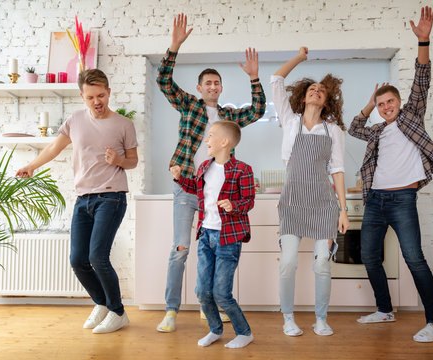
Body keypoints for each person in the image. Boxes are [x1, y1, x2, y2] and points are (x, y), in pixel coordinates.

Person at [156, 13, 266, 333]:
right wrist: (175, 45)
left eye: (217, 83)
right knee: (181, 249)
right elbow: (163, 80)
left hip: (217, 193)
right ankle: (171, 311)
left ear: (221, 87)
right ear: (200, 87)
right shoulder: (189, 105)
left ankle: (211, 307)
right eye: (208, 83)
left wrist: (255, 78)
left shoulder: (230, 116)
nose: (213, 86)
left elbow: (257, 110)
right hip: (187, 187)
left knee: (216, 248)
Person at [348, 6, 433, 343]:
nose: (386, 107)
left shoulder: (411, 117)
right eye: (382, 104)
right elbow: (354, 127)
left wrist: (424, 41)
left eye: (390, 101)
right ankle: (384, 309)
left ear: (399, 102)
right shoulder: (377, 130)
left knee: (414, 258)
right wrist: (368, 102)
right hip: (376, 199)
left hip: (403, 198)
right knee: (369, 256)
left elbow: (421, 82)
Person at [16, 69, 137, 334]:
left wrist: (118, 161)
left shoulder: (123, 124)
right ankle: (102, 303)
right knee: (77, 259)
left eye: (102, 95)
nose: (97, 101)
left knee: (98, 257)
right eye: (91, 96)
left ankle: (117, 311)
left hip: (112, 197)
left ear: (108, 92)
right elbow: (53, 148)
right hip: (83, 199)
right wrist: (32, 165)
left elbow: (133, 161)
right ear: (82, 96)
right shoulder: (75, 120)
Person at [271, 46, 350, 337]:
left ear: (327, 101)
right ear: (303, 96)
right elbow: (276, 79)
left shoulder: (333, 131)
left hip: (324, 205)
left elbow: (338, 170)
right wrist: (300, 58)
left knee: (321, 266)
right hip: (292, 204)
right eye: (312, 88)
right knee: (288, 263)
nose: (316, 91)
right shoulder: (290, 121)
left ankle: (321, 319)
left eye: (321, 90)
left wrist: (343, 209)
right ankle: (288, 318)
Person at [170, 121, 255, 349]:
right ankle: (216, 329)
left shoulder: (242, 170)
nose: (206, 140)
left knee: (221, 292)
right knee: (202, 291)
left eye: (210, 136)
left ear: (224, 142)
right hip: (206, 235)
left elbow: (248, 201)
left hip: (229, 238)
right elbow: (196, 188)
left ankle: (244, 333)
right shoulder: (204, 167)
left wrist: (233, 205)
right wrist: (179, 178)